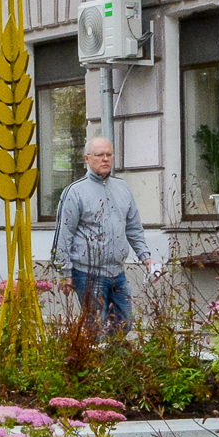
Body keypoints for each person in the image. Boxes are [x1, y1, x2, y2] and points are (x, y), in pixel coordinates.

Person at [50, 136, 153, 327]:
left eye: (109, 155)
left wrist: (145, 256)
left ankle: (114, 356)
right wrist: (64, 272)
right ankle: (95, 356)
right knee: (95, 327)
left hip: (117, 272)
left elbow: (133, 227)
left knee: (125, 324)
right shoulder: (75, 191)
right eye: (100, 155)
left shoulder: (122, 188)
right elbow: (64, 234)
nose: (105, 159)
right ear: (87, 158)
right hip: (87, 273)